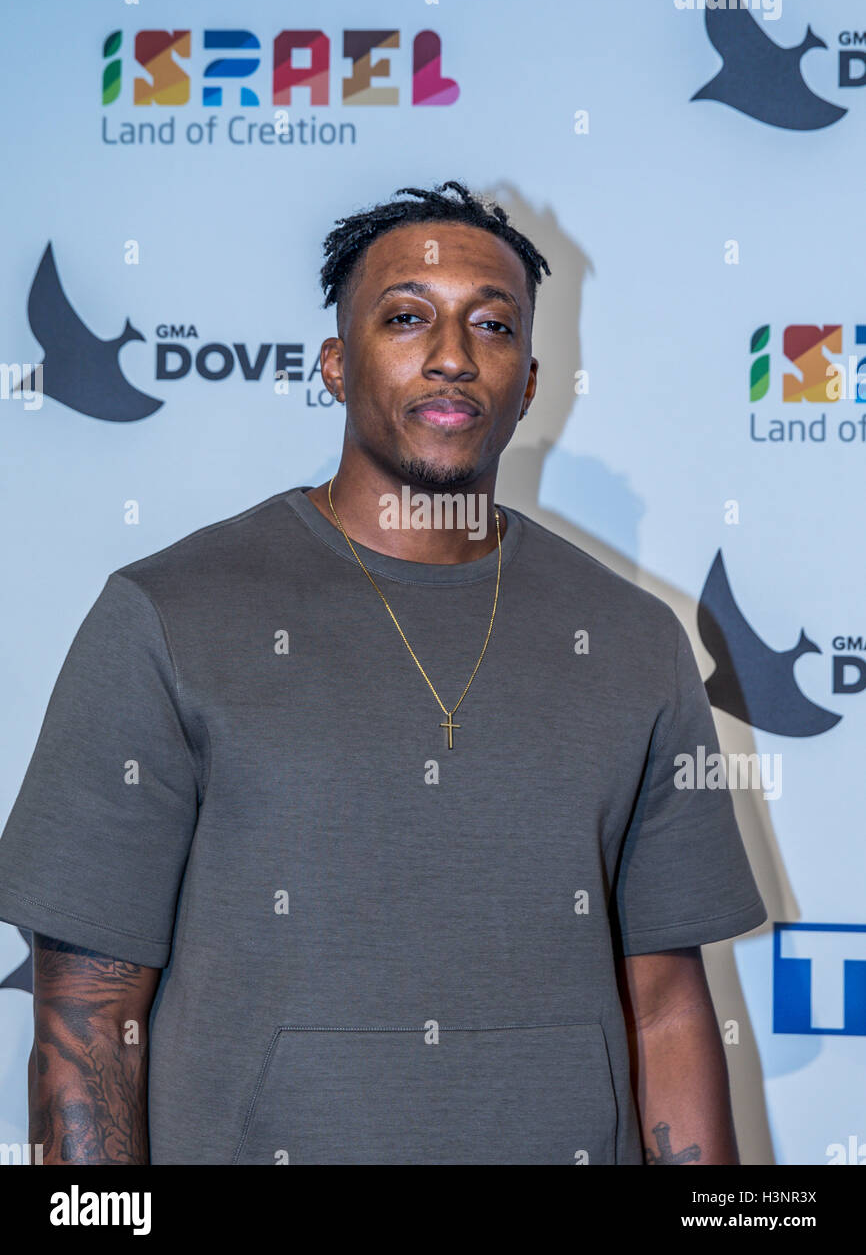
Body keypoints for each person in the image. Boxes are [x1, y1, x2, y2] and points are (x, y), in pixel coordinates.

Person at [0, 180, 766, 1165]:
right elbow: (87, 1019)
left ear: (527, 381)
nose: (451, 354)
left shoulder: (628, 637)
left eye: (489, 325)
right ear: (333, 362)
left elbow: (663, 1010)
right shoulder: (169, 613)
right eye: (406, 317)